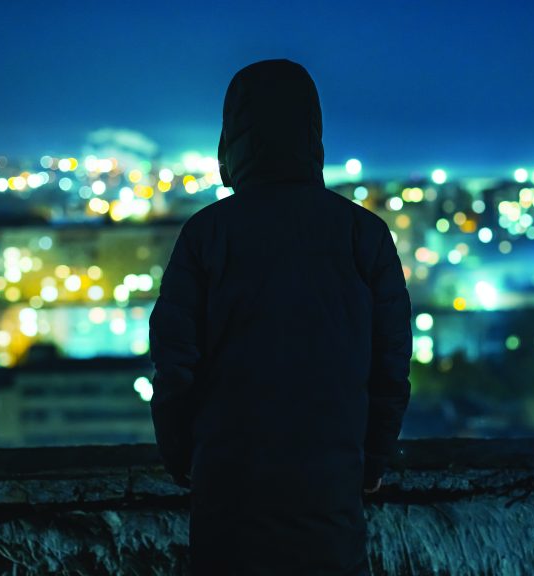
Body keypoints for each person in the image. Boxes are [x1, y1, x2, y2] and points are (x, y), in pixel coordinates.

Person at [148, 58, 413, 576]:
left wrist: (184, 459)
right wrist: (373, 461)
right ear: (313, 134)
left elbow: (175, 364)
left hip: (228, 496)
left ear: (232, 141)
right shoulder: (364, 235)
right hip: (331, 497)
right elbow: (390, 367)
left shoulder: (207, 235)